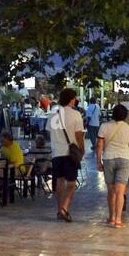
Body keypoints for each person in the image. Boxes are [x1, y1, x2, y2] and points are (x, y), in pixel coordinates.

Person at [95, 104, 129, 227]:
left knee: (111, 191)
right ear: (125, 115)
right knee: (120, 191)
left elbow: (99, 146)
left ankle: (111, 217)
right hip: (125, 160)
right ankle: (118, 220)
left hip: (108, 159)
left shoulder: (104, 127)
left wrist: (98, 161)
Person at [47, 87, 85, 222]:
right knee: (71, 183)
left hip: (56, 152)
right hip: (70, 153)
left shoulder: (53, 113)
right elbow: (79, 135)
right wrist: (82, 149)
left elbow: (49, 131)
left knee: (60, 181)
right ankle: (64, 208)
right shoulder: (75, 114)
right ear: (71, 99)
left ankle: (59, 210)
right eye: (74, 98)